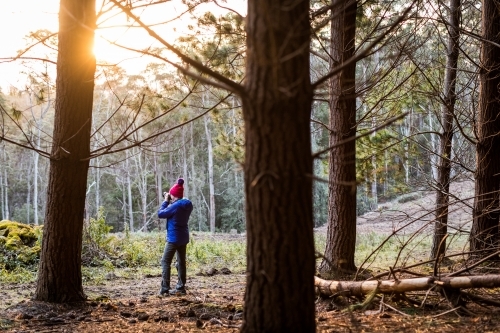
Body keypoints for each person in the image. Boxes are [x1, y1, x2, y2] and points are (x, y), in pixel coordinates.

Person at [158, 178, 193, 296]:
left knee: (165, 261)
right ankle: (181, 288)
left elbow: (161, 213)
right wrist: (171, 200)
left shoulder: (174, 206)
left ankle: (164, 289)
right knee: (181, 262)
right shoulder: (187, 204)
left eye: (171, 195)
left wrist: (165, 201)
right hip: (183, 238)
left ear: (174, 195)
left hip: (173, 238)